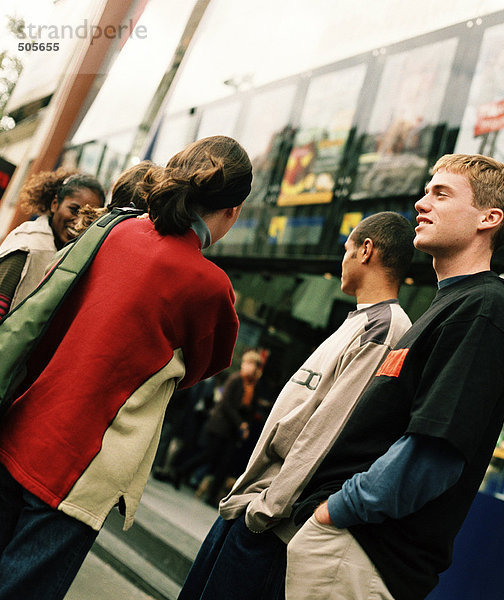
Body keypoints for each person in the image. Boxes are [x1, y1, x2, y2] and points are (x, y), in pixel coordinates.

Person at [0, 135, 252, 600]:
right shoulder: (211, 287)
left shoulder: (113, 230)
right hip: (82, 470)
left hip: (22, 425)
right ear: (232, 211)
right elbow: (202, 368)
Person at [286, 154, 504, 600]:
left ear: (489, 219)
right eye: (424, 191)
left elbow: (433, 451)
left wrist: (335, 511)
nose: (420, 203)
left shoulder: (484, 310)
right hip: (351, 542)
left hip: (363, 549)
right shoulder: (449, 304)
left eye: (440, 193)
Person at [178, 211, 415, 600]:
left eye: (346, 249)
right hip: (252, 502)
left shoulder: (386, 328)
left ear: (366, 251)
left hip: (270, 519)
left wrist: (267, 510)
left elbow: (327, 430)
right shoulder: (361, 320)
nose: (343, 258)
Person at [157, 350, 264, 506]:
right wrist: (240, 423)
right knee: (209, 455)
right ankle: (180, 471)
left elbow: (251, 409)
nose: (249, 367)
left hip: (232, 431)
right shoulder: (235, 380)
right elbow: (227, 404)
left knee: (224, 462)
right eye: (248, 363)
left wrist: (245, 424)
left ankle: (211, 494)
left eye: (253, 365)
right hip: (220, 426)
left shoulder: (252, 386)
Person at [0, 170, 105, 318]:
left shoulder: (71, 256)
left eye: (89, 216)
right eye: (74, 210)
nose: (79, 222)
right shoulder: (29, 247)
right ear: (55, 204)